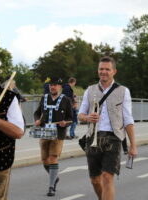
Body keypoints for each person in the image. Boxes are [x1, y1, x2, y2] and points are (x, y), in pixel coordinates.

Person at [78, 56, 138, 200]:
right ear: (98, 70)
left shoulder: (124, 91)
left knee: (107, 177)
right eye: (101, 69)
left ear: (114, 71)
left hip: (114, 138)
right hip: (93, 137)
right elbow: (80, 115)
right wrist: (87, 118)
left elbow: (128, 119)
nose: (103, 72)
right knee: (95, 180)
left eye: (107, 69)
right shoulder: (90, 90)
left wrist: (133, 145)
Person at [34, 76, 73, 197]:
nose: (53, 87)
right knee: (45, 160)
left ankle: (51, 187)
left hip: (58, 134)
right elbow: (37, 113)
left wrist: (64, 123)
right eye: (51, 85)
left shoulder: (66, 100)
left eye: (55, 85)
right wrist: (37, 120)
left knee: (53, 158)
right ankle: (54, 176)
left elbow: (70, 118)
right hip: (44, 132)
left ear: (60, 87)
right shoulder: (44, 98)